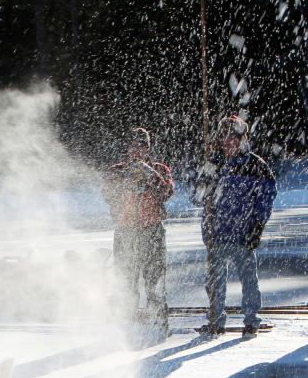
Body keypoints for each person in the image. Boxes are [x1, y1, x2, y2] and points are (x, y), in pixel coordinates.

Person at [193, 116, 276, 338]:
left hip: (243, 234)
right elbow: (196, 197)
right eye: (225, 137)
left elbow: (266, 198)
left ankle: (251, 321)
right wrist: (205, 182)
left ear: (243, 138)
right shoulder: (213, 164)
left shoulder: (256, 165)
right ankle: (215, 320)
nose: (228, 142)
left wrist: (257, 226)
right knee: (214, 283)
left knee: (249, 279)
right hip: (216, 233)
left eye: (233, 137)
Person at [102, 127, 175, 334]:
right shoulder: (116, 170)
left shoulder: (159, 169)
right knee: (126, 279)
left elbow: (167, 192)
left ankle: (159, 323)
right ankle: (129, 324)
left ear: (148, 148)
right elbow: (108, 196)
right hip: (125, 230)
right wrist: (127, 180)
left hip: (151, 229)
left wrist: (149, 175)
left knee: (155, 280)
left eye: (142, 145)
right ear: (128, 147)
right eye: (134, 145)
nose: (137, 149)